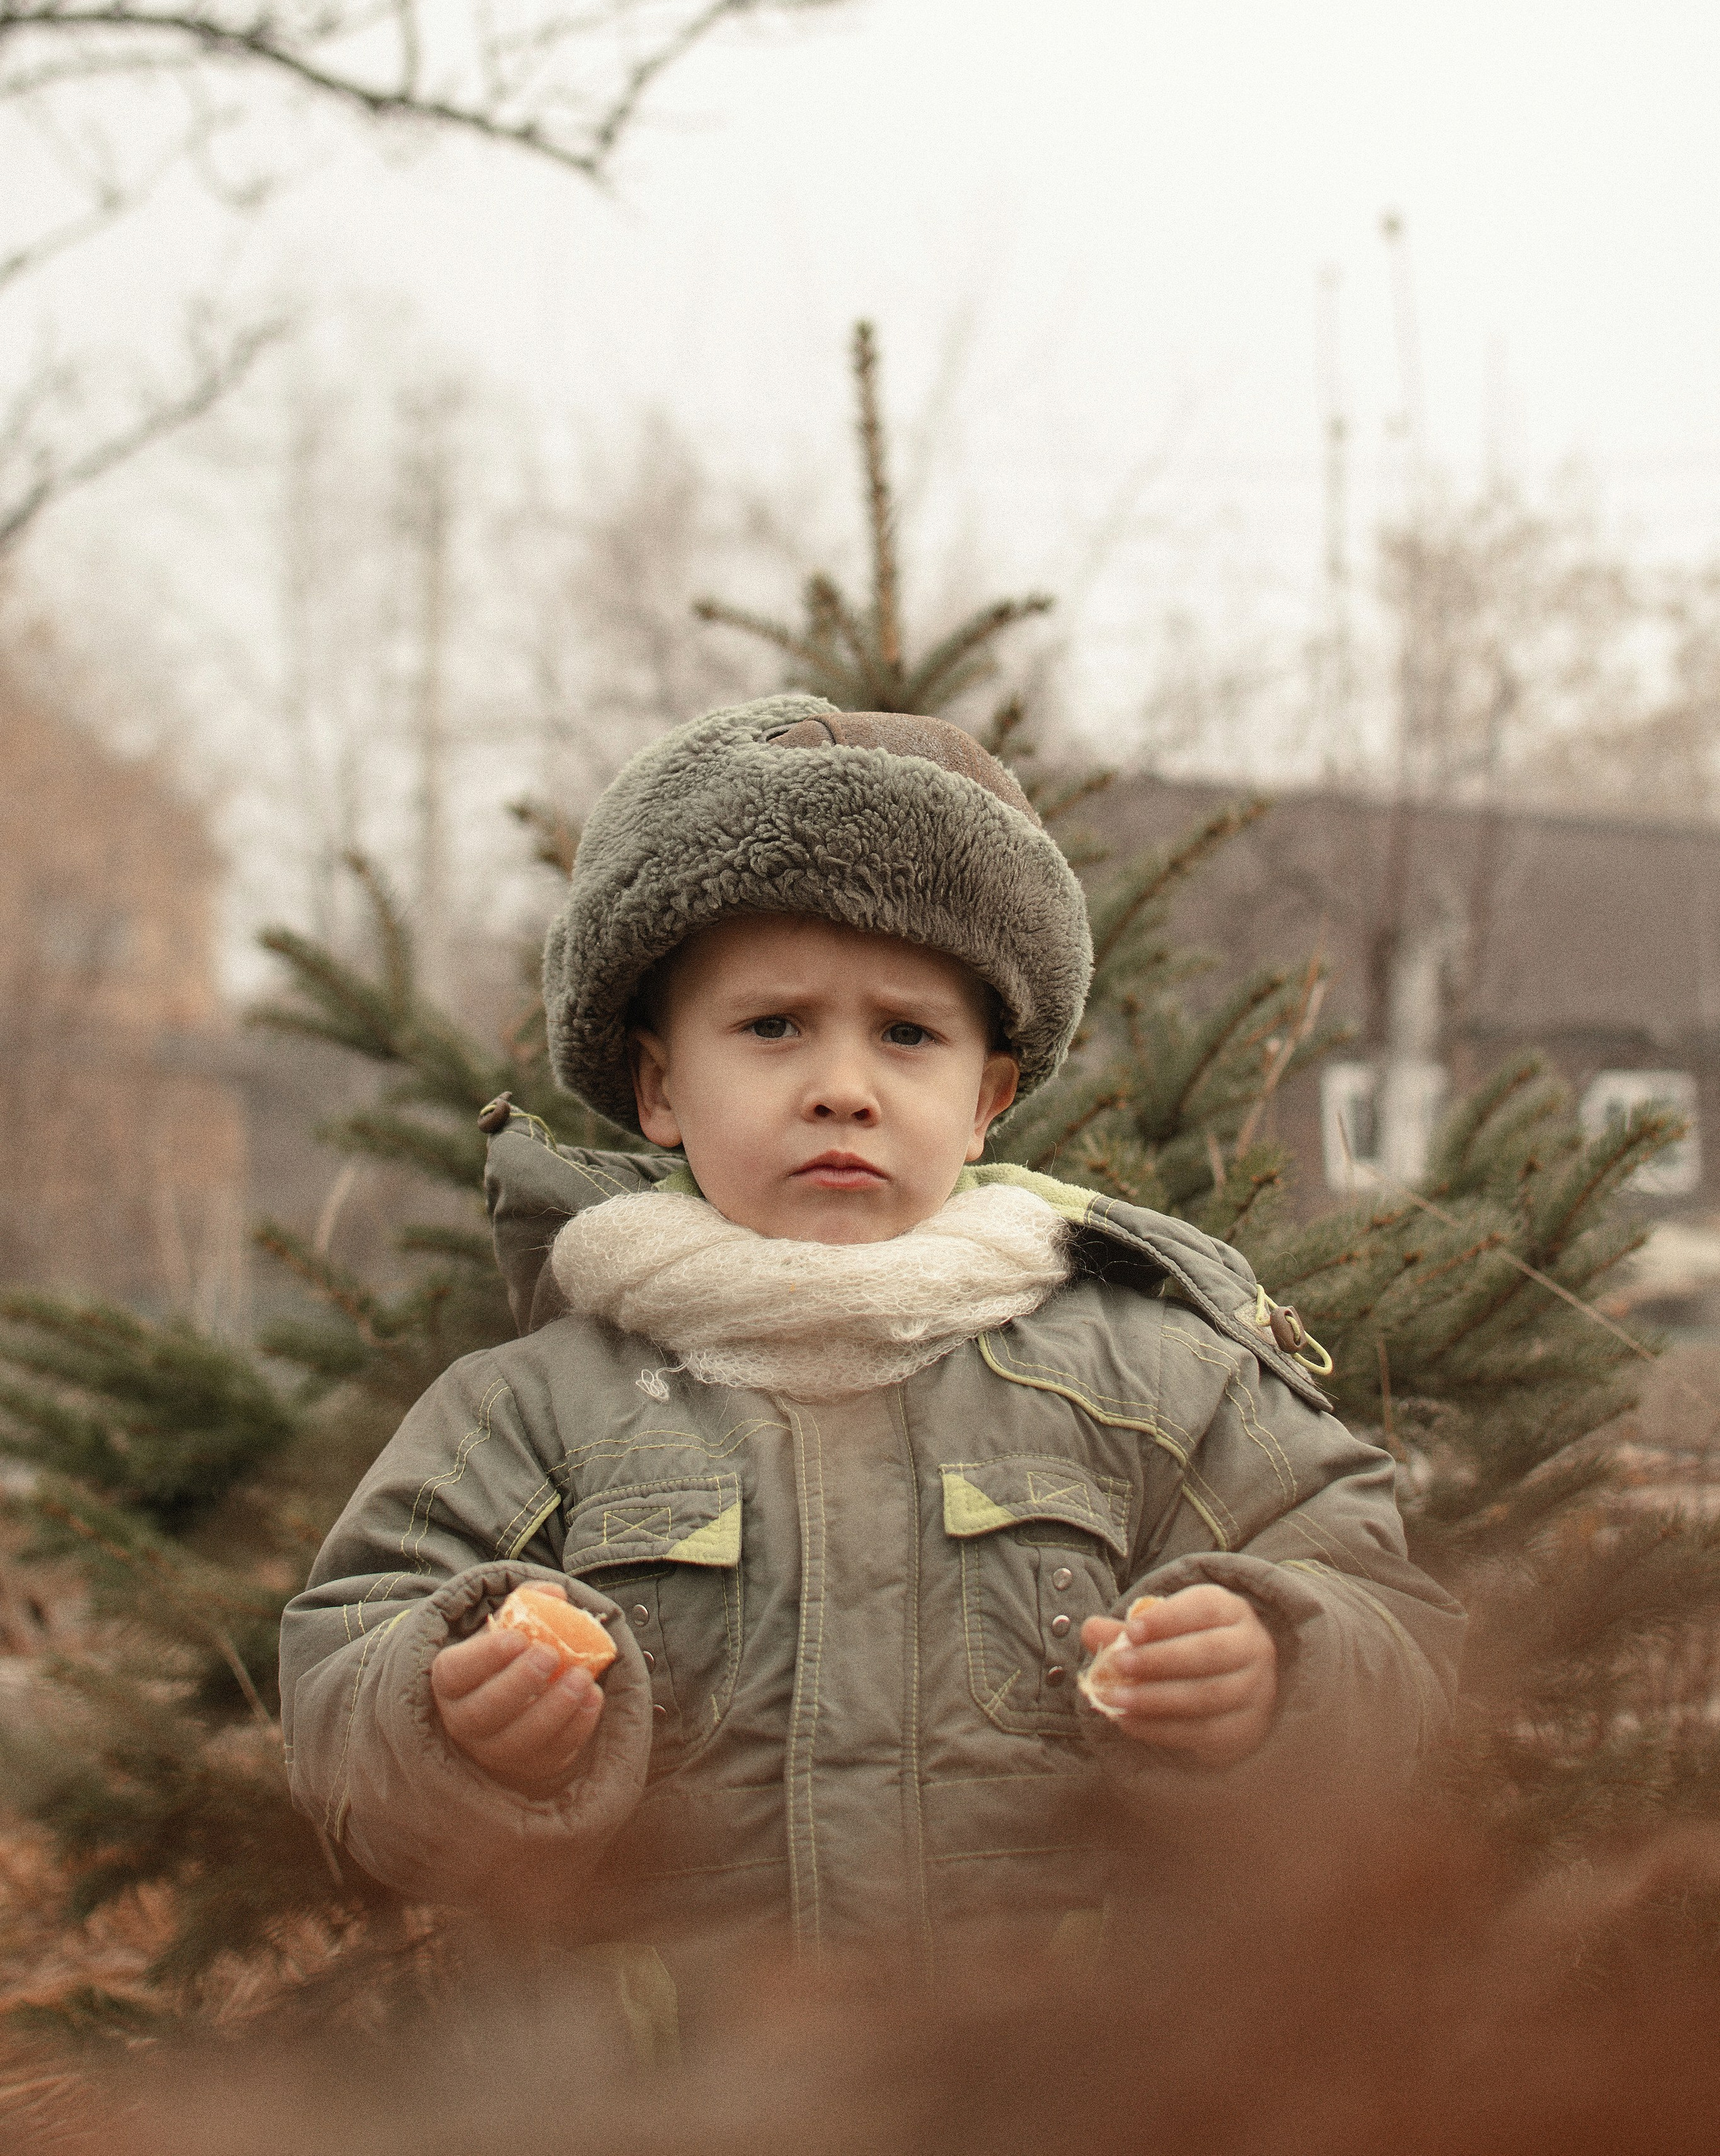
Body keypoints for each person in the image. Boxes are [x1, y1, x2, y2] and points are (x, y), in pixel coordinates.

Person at [280, 697, 1461, 1964]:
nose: (843, 1084)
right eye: (773, 1025)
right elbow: (344, 1689)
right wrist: (445, 1716)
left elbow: (1398, 1635)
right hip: (660, 2107)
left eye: (907, 1034)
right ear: (660, 1083)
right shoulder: (533, 1412)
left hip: (1075, 2099)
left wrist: (1281, 1665)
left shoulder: (1158, 1379)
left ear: (985, 1101)